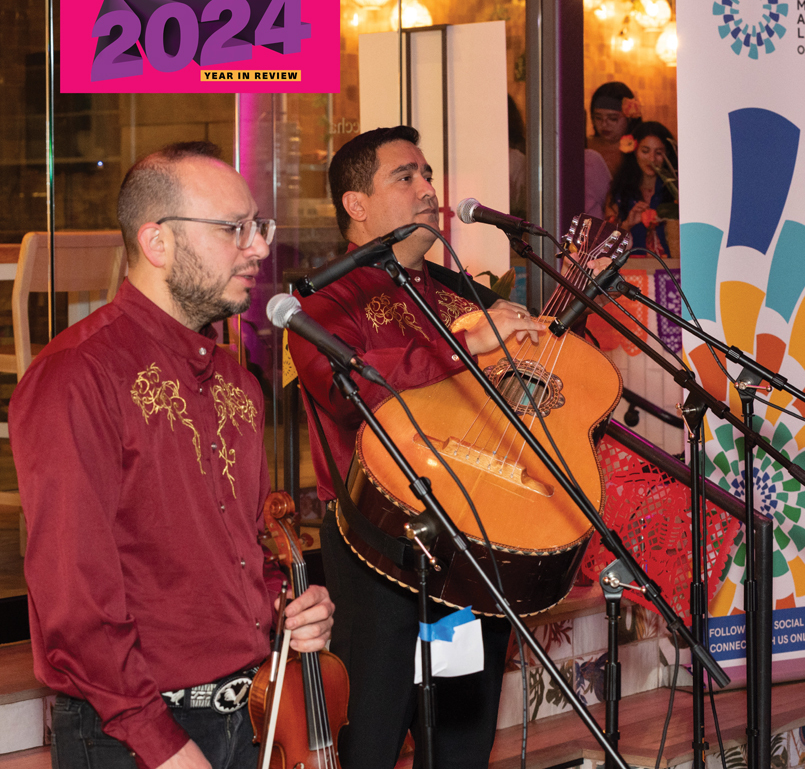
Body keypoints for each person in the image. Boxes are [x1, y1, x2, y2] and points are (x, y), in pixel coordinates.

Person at [10, 142, 335, 769]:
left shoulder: (237, 382)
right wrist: (160, 742)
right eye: (233, 229)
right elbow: (73, 597)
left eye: (259, 227)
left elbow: (245, 549)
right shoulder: (78, 375)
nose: (259, 248)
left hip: (248, 714)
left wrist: (286, 605)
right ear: (157, 242)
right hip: (135, 733)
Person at [288, 126, 545, 769]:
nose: (429, 189)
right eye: (405, 177)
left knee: (461, 735)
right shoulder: (321, 303)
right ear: (356, 204)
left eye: (427, 174)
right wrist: (467, 346)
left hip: (468, 539)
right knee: (371, 732)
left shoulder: (458, 294)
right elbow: (351, 392)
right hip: (376, 543)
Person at [605, 120, 677, 255]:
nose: (652, 159)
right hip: (631, 266)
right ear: (634, 151)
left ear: (667, 154)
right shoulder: (619, 192)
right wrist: (627, 224)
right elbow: (605, 249)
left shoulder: (676, 192)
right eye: (645, 151)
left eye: (659, 152)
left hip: (671, 266)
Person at [586, 81, 640, 177]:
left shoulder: (641, 150)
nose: (604, 124)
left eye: (613, 119)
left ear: (629, 118)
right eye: (598, 118)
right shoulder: (584, 145)